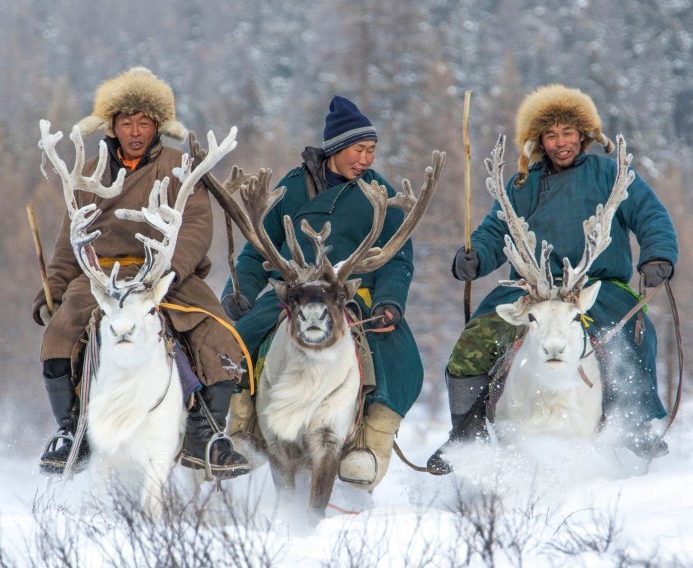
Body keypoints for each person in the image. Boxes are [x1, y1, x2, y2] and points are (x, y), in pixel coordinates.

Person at [427, 84, 678, 474]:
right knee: (474, 342)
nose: (561, 143)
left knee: (633, 332)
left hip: (598, 287)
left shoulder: (611, 173)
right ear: (539, 141)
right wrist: (474, 257)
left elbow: (650, 215)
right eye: (551, 134)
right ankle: (467, 433)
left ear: (584, 135)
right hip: (531, 290)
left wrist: (658, 254)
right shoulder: (523, 185)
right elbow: (496, 231)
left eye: (568, 133)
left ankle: (634, 423)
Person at [33, 66, 249, 478]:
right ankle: (71, 432)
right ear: (111, 126)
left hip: (166, 278)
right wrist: (55, 291)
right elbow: (69, 241)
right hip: (100, 280)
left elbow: (197, 228)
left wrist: (170, 271)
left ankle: (205, 437)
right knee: (59, 334)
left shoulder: (180, 169)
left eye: (144, 123)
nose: (135, 131)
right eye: (127, 122)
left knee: (219, 333)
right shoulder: (88, 172)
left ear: (158, 126)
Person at [221, 95, 424, 491]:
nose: (365, 159)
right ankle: (242, 431)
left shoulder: (378, 192)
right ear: (335, 148)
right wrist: (240, 291)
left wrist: (389, 302)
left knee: (397, 355)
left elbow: (398, 259)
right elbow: (257, 250)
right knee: (238, 343)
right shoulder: (292, 188)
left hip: (354, 296)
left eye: (371, 151)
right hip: (294, 296)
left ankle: (369, 443)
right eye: (358, 150)